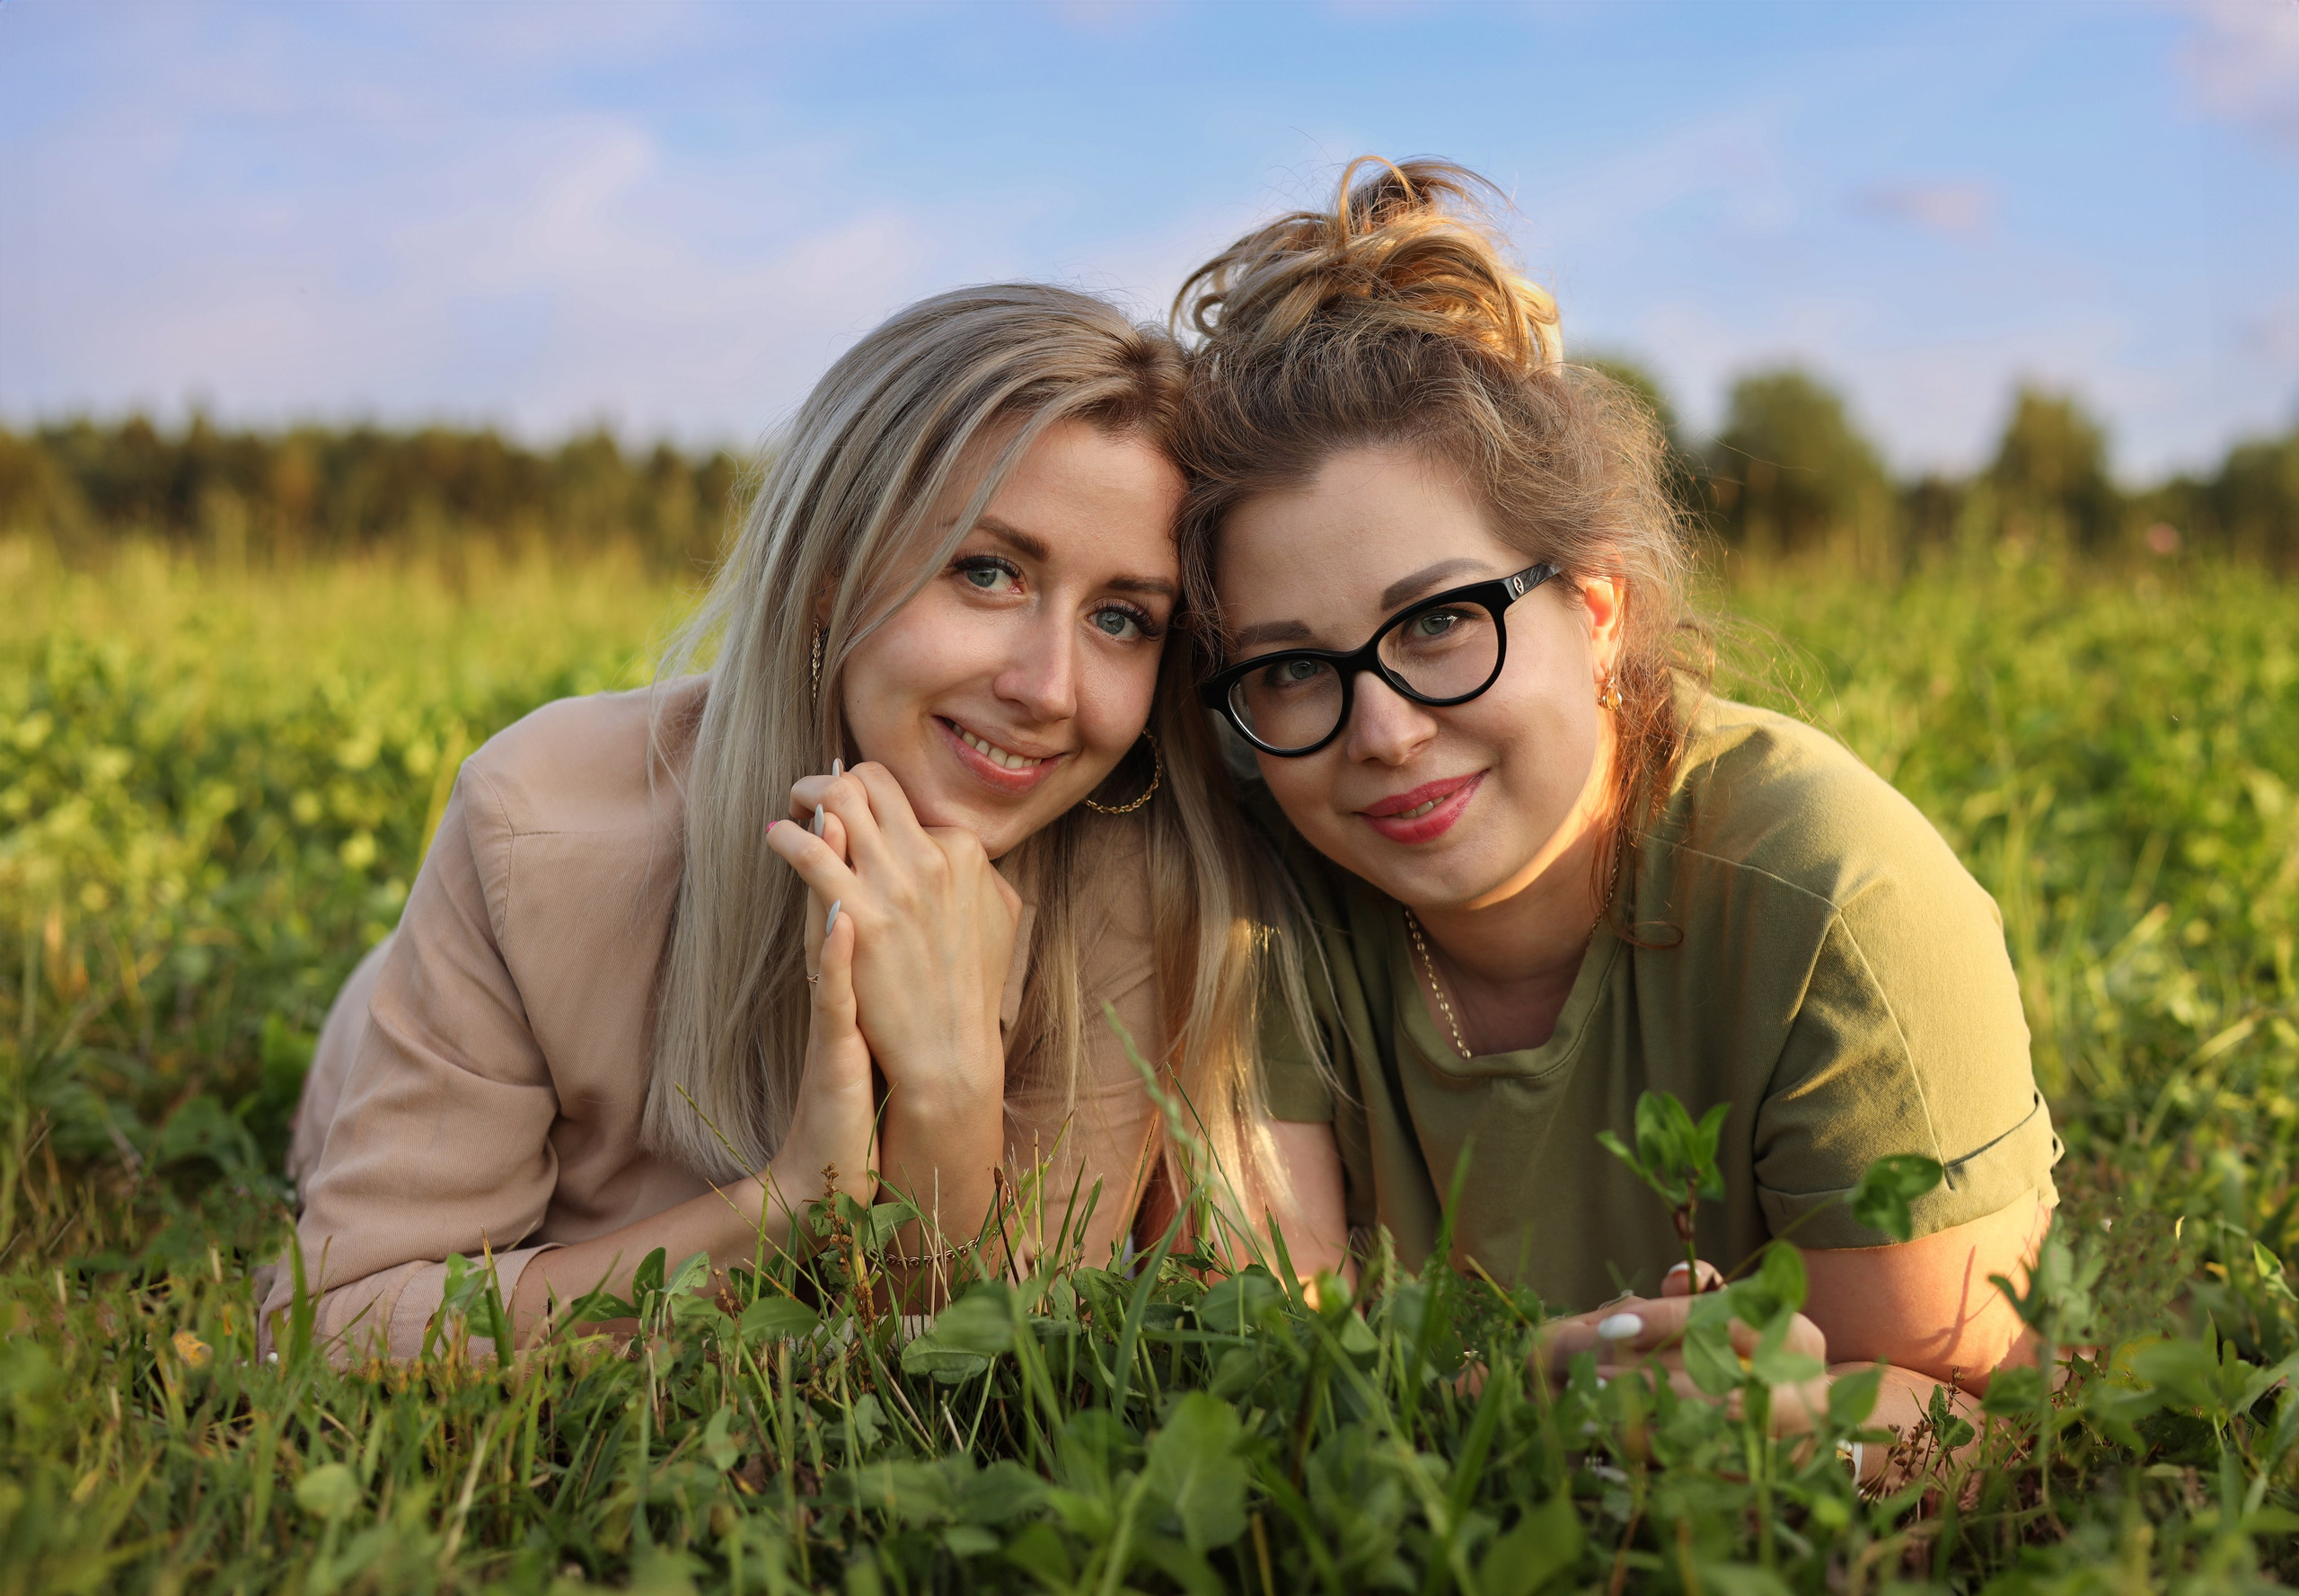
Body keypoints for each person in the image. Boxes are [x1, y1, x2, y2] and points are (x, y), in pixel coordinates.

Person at [1174, 160, 2060, 1475]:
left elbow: (1985, 1418)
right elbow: (1275, 1377)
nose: (1384, 730)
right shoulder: (1256, 903)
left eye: (1438, 623)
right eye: (1293, 666)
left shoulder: (1837, 901)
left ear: (1595, 610)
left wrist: (1788, 1434)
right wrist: (1516, 1407)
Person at [264, 282, 1334, 1360]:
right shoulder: (536, 820)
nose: (1050, 689)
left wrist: (949, 1087)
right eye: (987, 571)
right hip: (383, 1036)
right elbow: (336, 1327)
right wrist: (790, 1202)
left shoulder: (1127, 869)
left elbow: (982, 1357)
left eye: (1120, 618)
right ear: (830, 573)